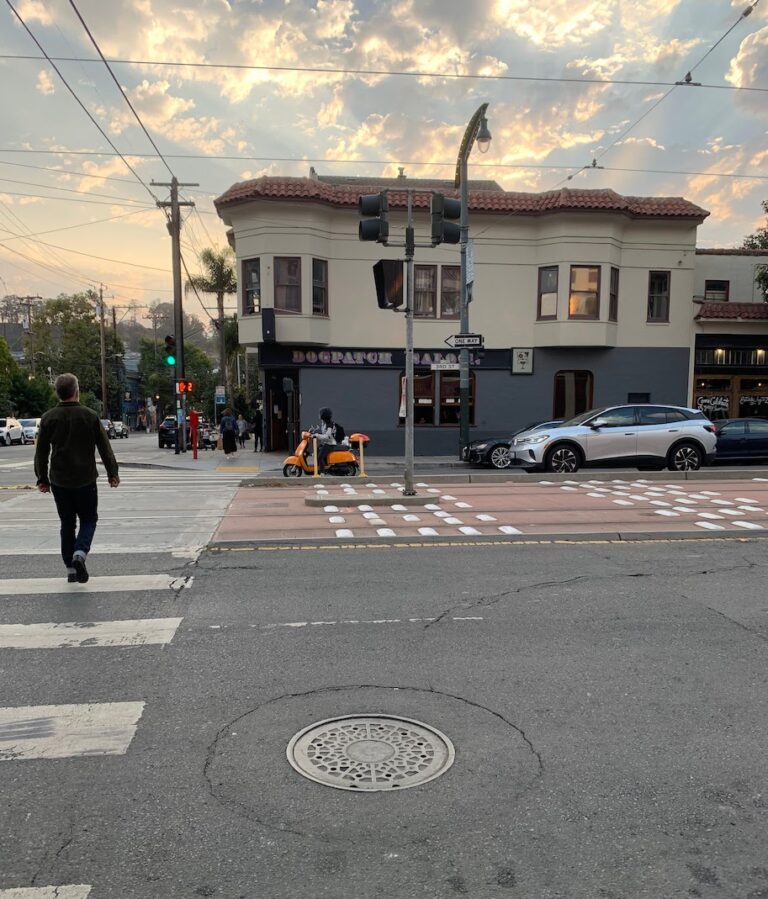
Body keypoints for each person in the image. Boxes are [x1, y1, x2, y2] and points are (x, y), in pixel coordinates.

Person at [34, 373, 120, 583]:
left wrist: (42, 478)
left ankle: (71, 569)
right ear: (77, 391)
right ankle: (80, 553)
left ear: (58, 393)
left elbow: (41, 452)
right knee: (89, 519)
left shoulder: (48, 418)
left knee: (67, 523)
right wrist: (112, 473)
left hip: (60, 480)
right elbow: (104, 448)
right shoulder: (89, 416)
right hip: (86, 478)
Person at [314, 407, 337, 473]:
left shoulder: (329, 425)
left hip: (330, 444)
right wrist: (315, 432)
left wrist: (317, 435)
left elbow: (327, 436)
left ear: (324, 415)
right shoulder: (324, 423)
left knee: (320, 457)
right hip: (325, 443)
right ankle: (318, 468)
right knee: (316, 452)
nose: (319, 415)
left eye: (320, 414)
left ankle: (322, 472)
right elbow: (324, 433)